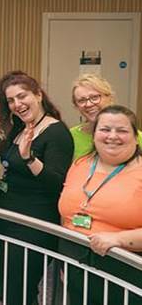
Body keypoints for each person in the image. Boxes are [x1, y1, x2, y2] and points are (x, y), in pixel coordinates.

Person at [0, 70, 73, 305]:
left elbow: (56, 183)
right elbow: (12, 160)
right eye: (11, 100)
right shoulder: (21, 128)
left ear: (38, 95)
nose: (17, 104)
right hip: (8, 219)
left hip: (33, 225)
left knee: (20, 289)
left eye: (22, 96)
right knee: (7, 288)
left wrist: (29, 159)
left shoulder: (56, 132)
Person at [58, 105, 142, 305]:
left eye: (121, 130)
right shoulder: (80, 164)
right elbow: (66, 213)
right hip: (76, 264)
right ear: (94, 134)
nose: (112, 136)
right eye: (105, 129)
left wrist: (119, 238)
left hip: (124, 270)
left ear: (135, 136)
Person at [70, 74, 142, 161]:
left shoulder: (134, 137)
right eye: (82, 100)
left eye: (95, 97)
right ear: (76, 106)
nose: (88, 104)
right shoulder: (70, 137)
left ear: (110, 97)